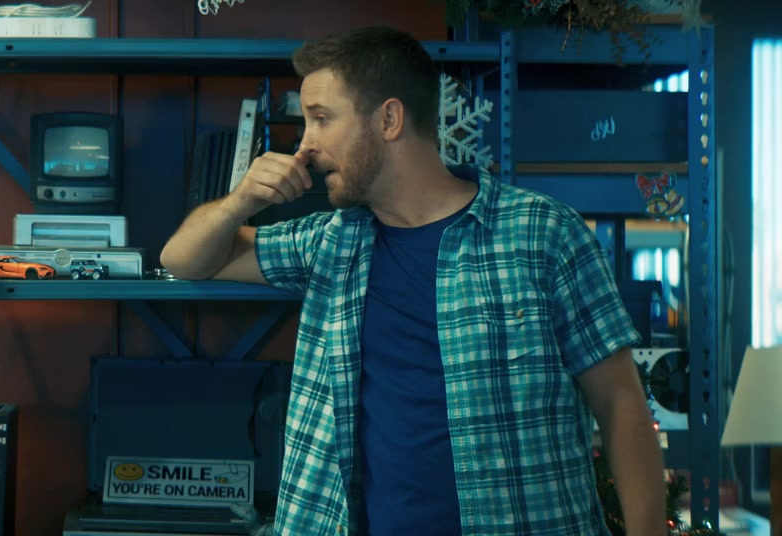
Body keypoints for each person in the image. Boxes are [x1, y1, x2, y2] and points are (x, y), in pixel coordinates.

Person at [161, 26, 665, 535]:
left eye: (321, 118)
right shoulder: (330, 241)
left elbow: (619, 400)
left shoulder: (544, 233)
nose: (305, 145)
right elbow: (183, 259)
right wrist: (242, 200)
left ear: (389, 119)